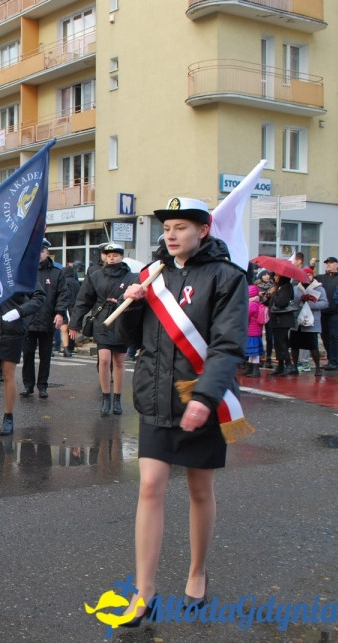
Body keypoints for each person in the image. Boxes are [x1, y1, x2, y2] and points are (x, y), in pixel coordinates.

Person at [113, 197, 247, 626]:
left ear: (203, 231)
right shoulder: (153, 275)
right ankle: (144, 591)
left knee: (199, 490)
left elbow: (227, 346)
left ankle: (197, 572)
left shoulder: (227, 278)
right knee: (150, 486)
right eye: (167, 228)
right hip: (156, 397)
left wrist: (205, 399)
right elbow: (128, 336)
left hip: (197, 397)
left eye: (181, 228)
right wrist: (132, 302)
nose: (170, 235)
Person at [0, 241, 44, 435]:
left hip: (12, 328)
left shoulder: (20, 269)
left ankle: (8, 416)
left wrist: (20, 312)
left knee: (7, 375)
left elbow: (39, 297)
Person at [68, 243, 138, 416]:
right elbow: (84, 299)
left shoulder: (132, 277)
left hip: (122, 321)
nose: (111, 257)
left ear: (122, 256)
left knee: (120, 361)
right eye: (108, 254)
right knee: (104, 359)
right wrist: (74, 323)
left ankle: (118, 399)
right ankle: (106, 397)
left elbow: (140, 301)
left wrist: (122, 302)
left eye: (115, 254)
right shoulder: (95, 275)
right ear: (104, 257)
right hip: (102, 321)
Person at [21, 240, 71, 398]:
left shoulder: (57, 272)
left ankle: (42, 386)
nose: (38, 255)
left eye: (41, 251)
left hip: (48, 319)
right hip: (28, 321)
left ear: (47, 252)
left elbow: (63, 294)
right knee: (27, 355)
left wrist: (60, 313)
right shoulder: (26, 270)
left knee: (45, 356)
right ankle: (28, 386)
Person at [290, 268, 328, 376]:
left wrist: (310, 304)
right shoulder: (296, 288)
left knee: (312, 345)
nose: (307, 277)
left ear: (312, 276)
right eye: (304, 275)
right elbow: (292, 302)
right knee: (294, 345)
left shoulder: (319, 288)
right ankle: (294, 366)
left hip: (311, 321)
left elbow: (325, 303)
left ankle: (317, 367)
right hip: (297, 320)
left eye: (309, 275)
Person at [317, 258, 338, 370]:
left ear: (336, 265)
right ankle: (330, 359)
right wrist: (312, 266)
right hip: (323, 311)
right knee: (325, 336)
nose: (328, 265)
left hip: (336, 312)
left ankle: (334, 361)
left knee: (334, 336)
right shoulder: (322, 277)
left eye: (330, 263)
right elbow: (309, 279)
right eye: (327, 264)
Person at [266, 274, 298, 375]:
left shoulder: (287, 287)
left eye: (277, 276)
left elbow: (281, 302)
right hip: (276, 320)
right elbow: (271, 302)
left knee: (282, 342)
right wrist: (268, 295)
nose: (275, 278)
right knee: (278, 343)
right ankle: (280, 365)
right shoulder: (279, 287)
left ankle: (289, 364)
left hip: (283, 320)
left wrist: (274, 293)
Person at [243, 285, 266, 377]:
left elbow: (246, 316)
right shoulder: (257, 303)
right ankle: (250, 368)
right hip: (256, 331)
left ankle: (255, 370)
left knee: (253, 352)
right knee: (252, 352)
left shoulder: (251, 305)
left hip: (251, 331)